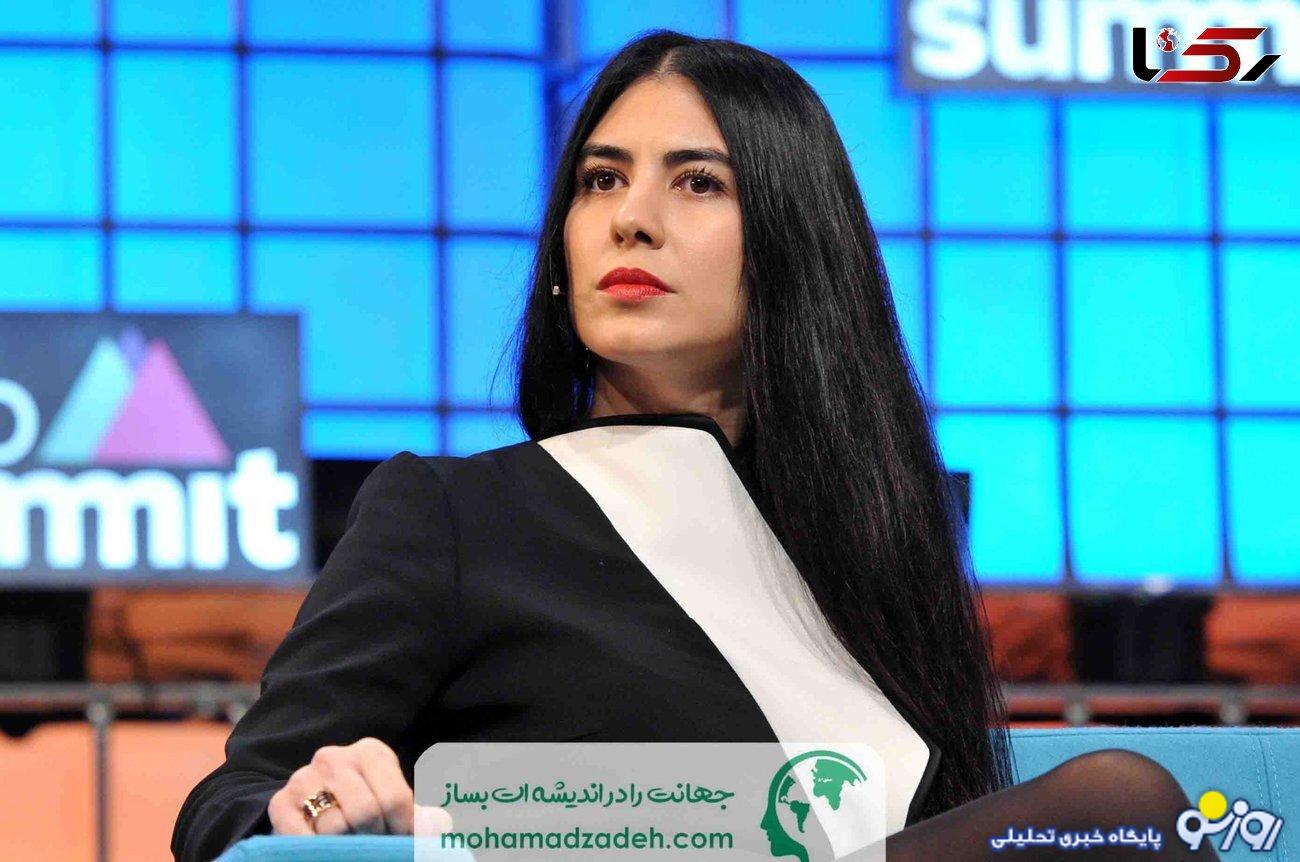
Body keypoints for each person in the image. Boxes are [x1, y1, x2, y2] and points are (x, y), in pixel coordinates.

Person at [172, 30, 1219, 862]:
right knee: (1119, 800)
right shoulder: (454, 515)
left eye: (698, 182)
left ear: (792, 245)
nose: (630, 219)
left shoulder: (880, 541)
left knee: (1126, 814)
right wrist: (315, 804)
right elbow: (227, 803)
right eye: (600, 180)